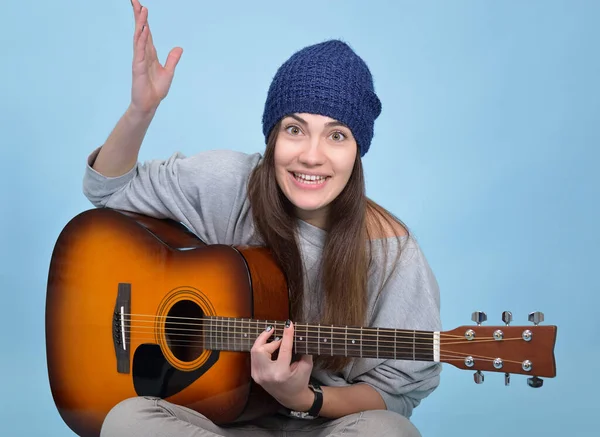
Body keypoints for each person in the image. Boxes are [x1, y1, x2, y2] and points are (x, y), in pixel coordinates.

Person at [82, 1, 442, 436]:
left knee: (389, 432)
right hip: (218, 419)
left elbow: (396, 394)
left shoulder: (392, 254)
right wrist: (141, 111)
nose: (312, 155)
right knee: (126, 421)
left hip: (324, 427)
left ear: (357, 151)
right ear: (272, 137)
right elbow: (108, 189)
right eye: (294, 129)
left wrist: (305, 398)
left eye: (336, 135)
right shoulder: (230, 184)